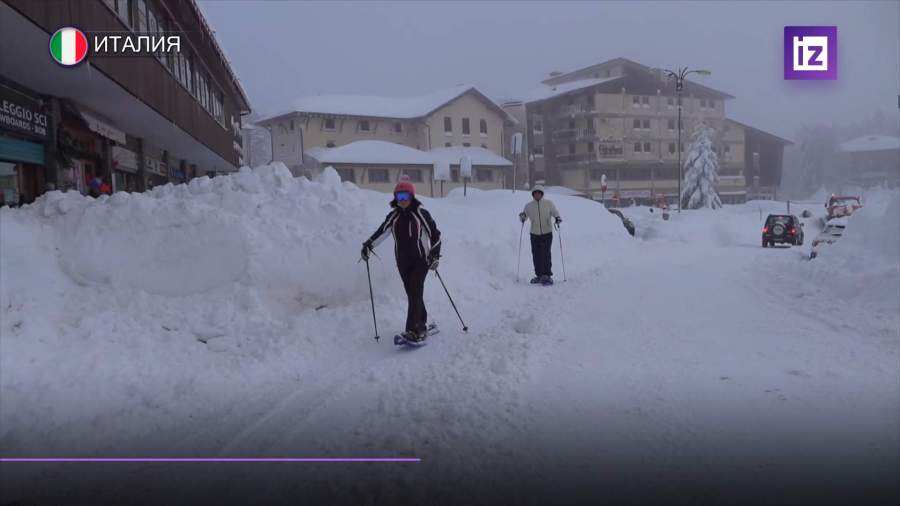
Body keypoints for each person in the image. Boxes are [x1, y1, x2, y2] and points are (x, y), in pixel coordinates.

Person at [361, 176, 441, 343]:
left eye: (405, 196)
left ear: (411, 196)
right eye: (399, 197)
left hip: (421, 261)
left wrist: (434, 255)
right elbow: (382, 232)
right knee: (413, 294)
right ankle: (422, 321)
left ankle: (414, 330)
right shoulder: (394, 216)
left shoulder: (421, 214)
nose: (402, 200)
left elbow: (435, 235)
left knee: (414, 290)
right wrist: (368, 245)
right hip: (403, 263)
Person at [519, 184, 561, 285]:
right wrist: (522, 217)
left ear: (542, 194)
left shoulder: (548, 203)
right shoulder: (528, 206)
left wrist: (557, 218)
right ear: (533, 195)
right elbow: (524, 216)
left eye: (539, 193)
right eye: (535, 193)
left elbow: (555, 212)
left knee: (546, 254)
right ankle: (539, 275)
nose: (537, 195)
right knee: (536, 255)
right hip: (534, 234)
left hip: (547, 233)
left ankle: (547, 275)